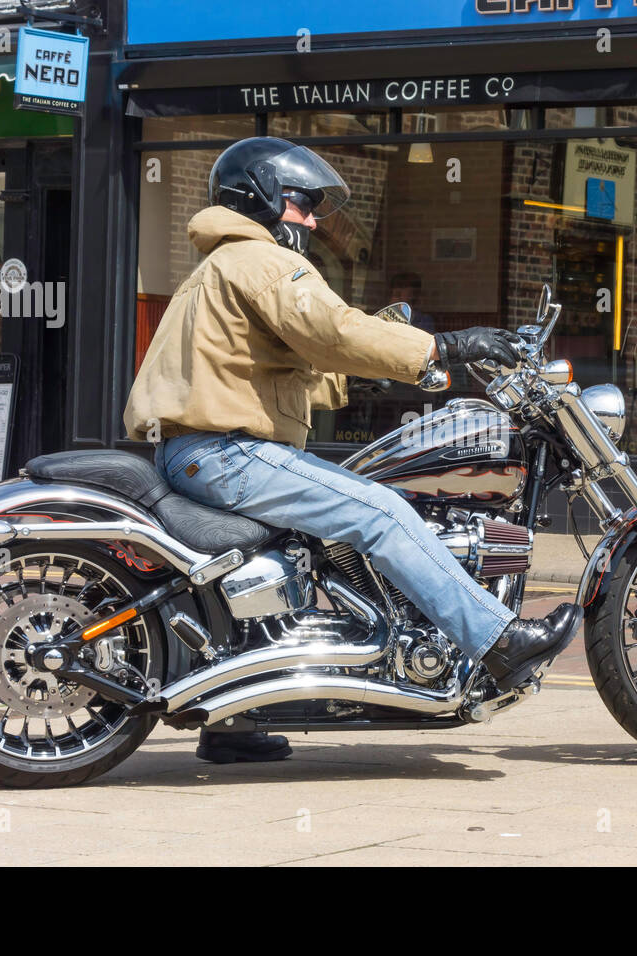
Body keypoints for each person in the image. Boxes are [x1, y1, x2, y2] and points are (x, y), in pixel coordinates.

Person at [125, 137, 580, 765]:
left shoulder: (221, 266)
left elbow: (298, 361)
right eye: (302, 204)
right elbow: (333, 331)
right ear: (262, 198)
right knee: (382, 509)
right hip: (228, 452)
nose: (312, 220)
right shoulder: (257, 260)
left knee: (311, 542)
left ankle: (236, 717)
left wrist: (380, 362)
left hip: (204, 451)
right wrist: (443, 346)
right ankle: (499, 642)